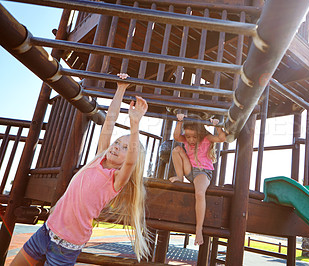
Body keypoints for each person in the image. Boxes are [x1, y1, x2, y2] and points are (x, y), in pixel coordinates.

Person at [11, 73, 150, 265]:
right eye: (118, 142)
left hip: (65, 247)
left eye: (125, 147)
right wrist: (120, 89)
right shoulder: (99, 158)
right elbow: (109, 120)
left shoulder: (116, 179)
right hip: (46, 231)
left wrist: (135, 125)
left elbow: (130, 162)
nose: (117, 146)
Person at [169, 113, 226, 246]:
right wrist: (179, 122)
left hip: (203, 172)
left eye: (194, 137)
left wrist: (217, 125)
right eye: (188, 136)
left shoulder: (206, 138)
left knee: (200, 193)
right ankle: (179, 176)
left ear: (200, 134)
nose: (191, 140)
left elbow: (222, 138)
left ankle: (198, 229)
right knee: (176, 150)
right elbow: (176, 136)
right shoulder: (185, 139)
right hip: (190, 171)